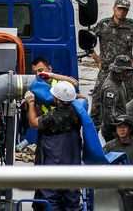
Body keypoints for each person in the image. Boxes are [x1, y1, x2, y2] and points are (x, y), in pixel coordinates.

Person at [90, 0, 133, 129]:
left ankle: (123, 131)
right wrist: (96, 58)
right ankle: (93, 133)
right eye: (120, 9)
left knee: (127, 103)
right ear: (114, 8)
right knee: (97, 103)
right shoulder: (103, 25)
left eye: (125, 10)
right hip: (106, 70)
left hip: (125, 73)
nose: (122, 12)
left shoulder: (132, 26)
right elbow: (88, 39)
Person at [26, 81, 82, 211]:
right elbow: (82, 99)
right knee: (73, 200)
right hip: (73, 166)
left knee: (51, 200)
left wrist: (31, 103)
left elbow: (34, 123)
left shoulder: (52, 117)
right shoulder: (78, 112)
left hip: (54, 164)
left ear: (56, 99)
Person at [100, 55, 133, 140]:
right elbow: (109, 117)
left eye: (127, 71)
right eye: (123, 71)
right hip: (114, 131)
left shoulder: (119, 81)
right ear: (116, 70)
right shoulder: (111, 88)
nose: (126, 74)